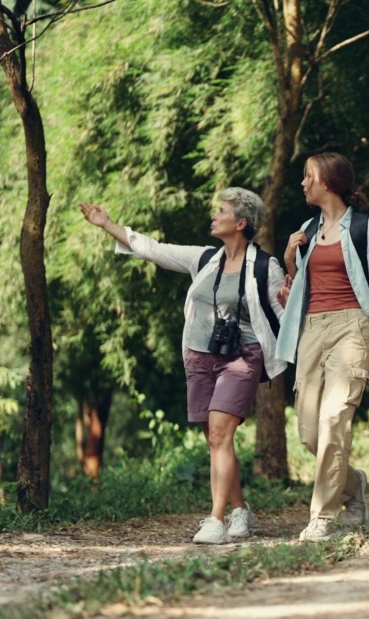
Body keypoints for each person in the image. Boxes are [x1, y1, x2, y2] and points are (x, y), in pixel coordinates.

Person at [78, 188, 287, 545]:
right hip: (199, 355)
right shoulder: (205, 258)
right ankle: (240, 510)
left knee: (221, 435)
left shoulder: (266, 268)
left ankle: (215, 520)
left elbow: (286, 315)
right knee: (215, 440)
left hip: (241, 357)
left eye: (221, 211)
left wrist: (292, 299)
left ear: (241, 223)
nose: (214, 216)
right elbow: (155, 250)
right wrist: (107, 224)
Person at [277, 152, 369, 542]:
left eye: (308, 176)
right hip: (312, 330)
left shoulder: (366, 229)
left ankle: (323, 516)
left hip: (353, 326)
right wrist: (289, 258)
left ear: (328, 182)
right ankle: (353, 485)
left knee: (334, 418)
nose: (302, 183)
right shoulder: (307, 229)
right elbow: (295, 289)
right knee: (308, 431)